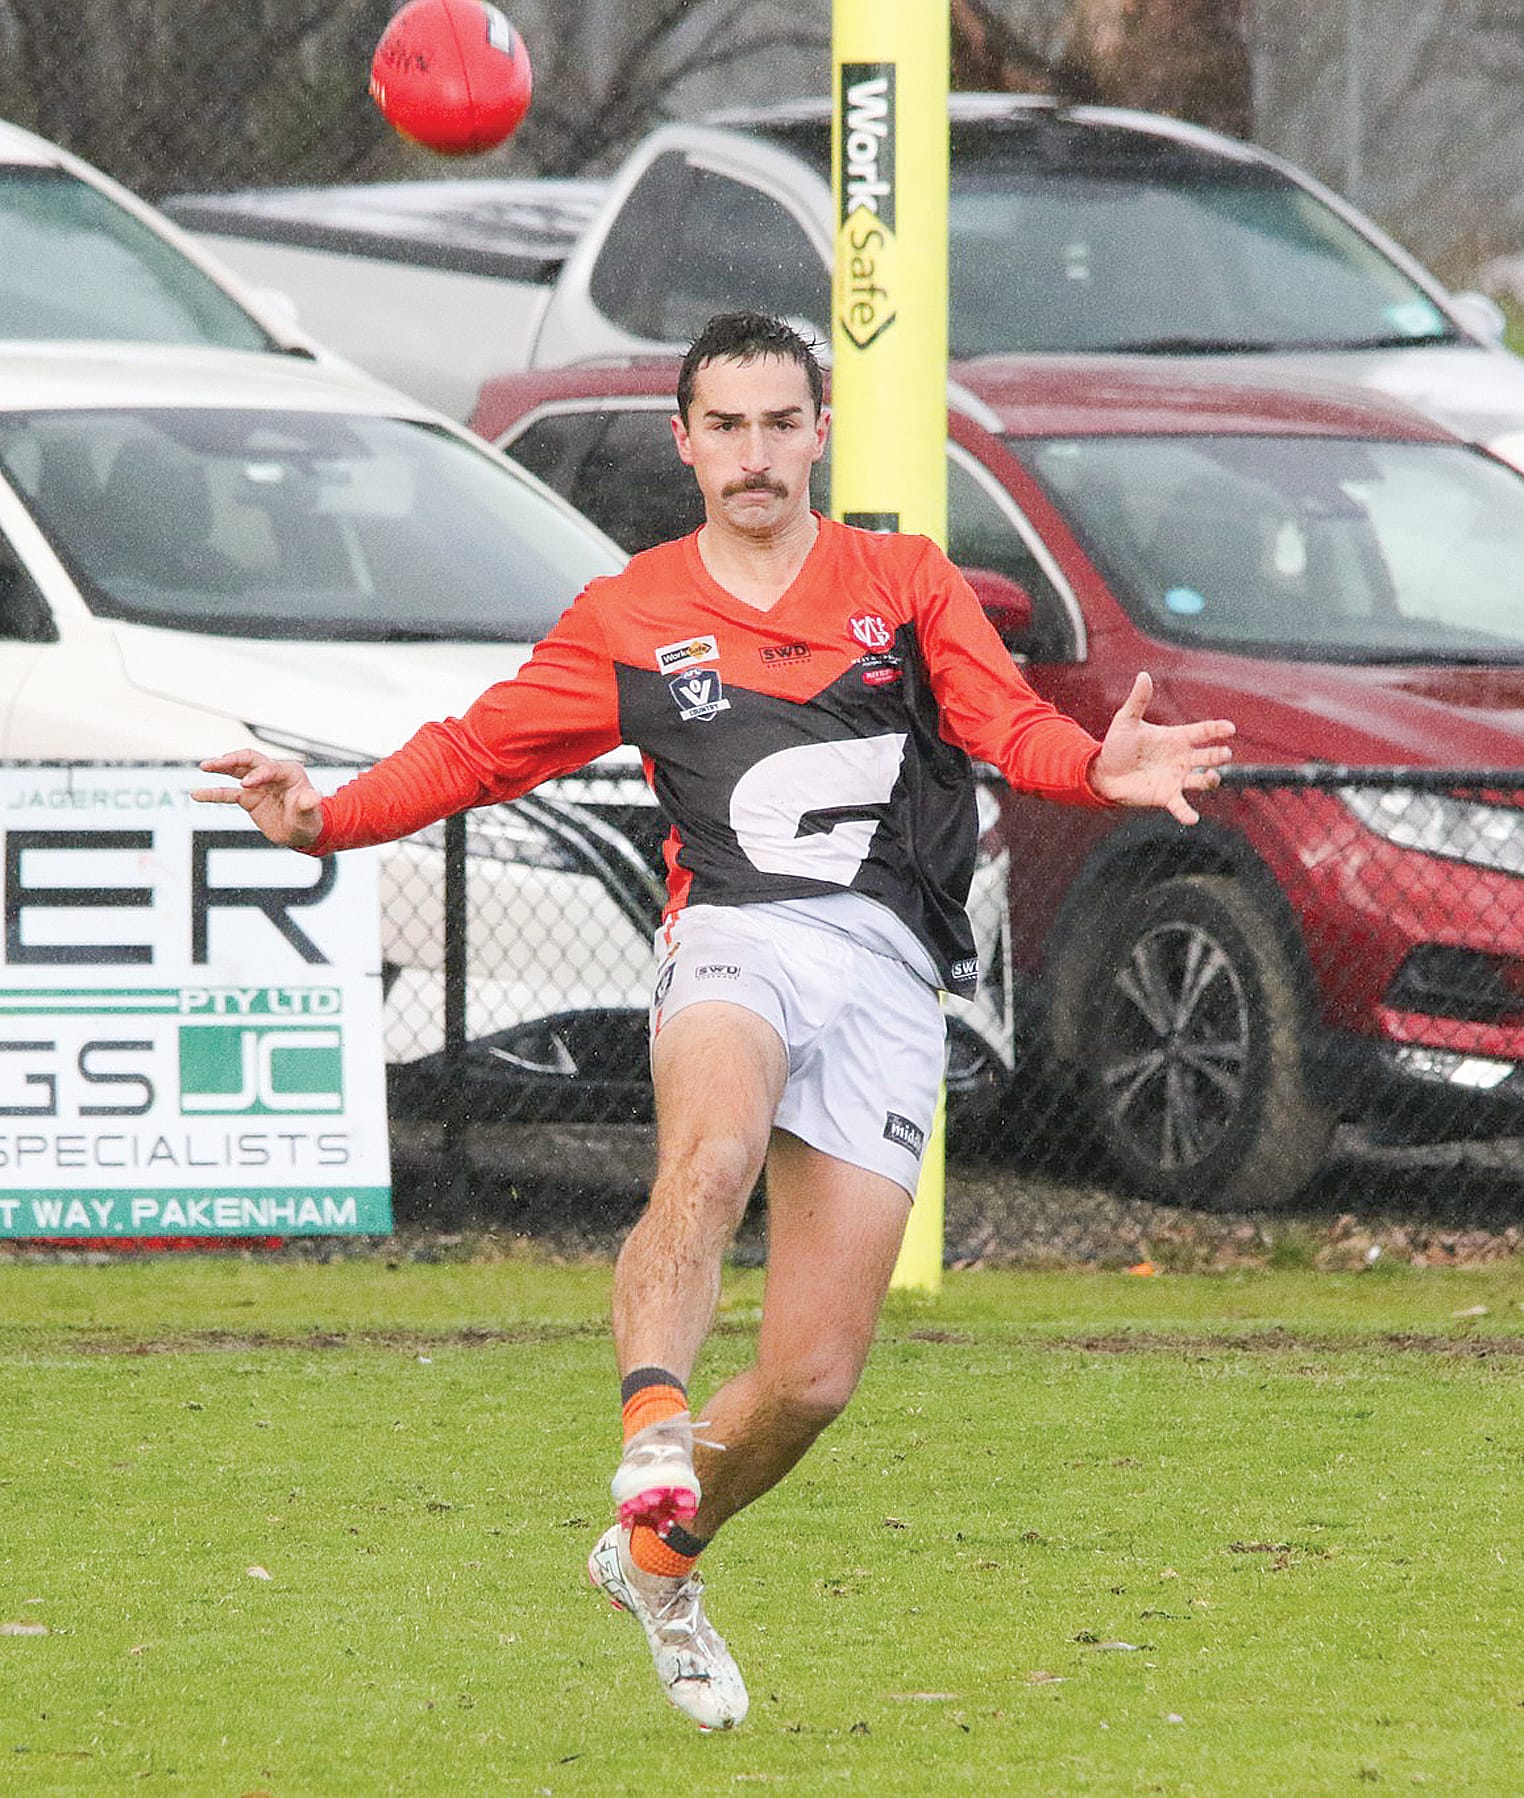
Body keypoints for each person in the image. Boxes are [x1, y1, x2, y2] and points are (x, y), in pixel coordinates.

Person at [195, 311, 1234, 1731]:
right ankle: (651, 1427)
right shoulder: (631, 613)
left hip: (887, 980)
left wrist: (1094, 767)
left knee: (813, 1377)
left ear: (819, 435)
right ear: (683, 442)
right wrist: (325, 819)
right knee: (711, 1152)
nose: (754, 454)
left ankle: (658, 1562)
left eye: (779, 424)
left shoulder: (904, 583)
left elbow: (1008, 727)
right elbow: (478, 751)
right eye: (726, 427)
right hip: (734, 937)